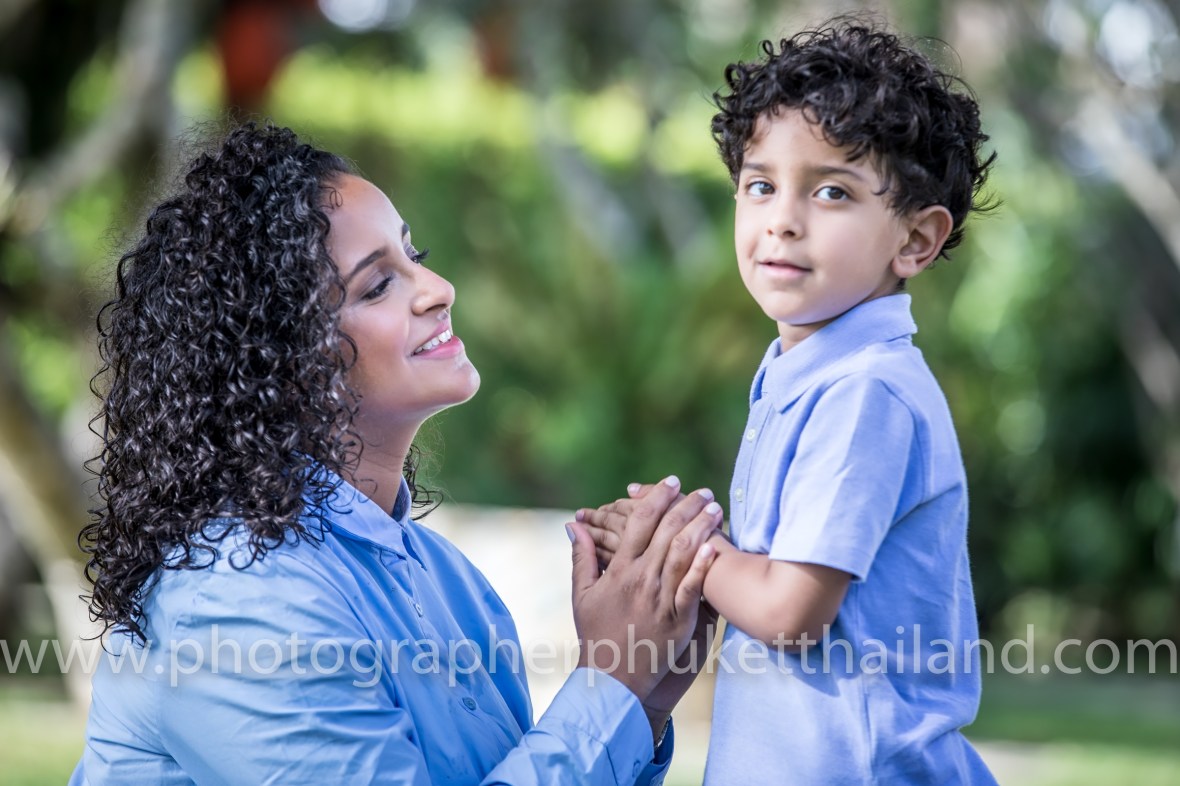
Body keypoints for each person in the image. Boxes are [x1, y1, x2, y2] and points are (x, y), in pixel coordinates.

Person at [69, 122, 723, 785]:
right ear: (277, 362)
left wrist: (644, 693)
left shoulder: (447, 581)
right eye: (378, 285)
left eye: (415, 254)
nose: (439, 289)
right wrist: (607, 684)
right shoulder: (238, 601)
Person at [582, 19, 999, 784]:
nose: (782, 218)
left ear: (915, 240)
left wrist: (682, 548)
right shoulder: (802, 372)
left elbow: (790, 610)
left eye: (831, 191)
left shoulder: (866, 391)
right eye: (761, 185)